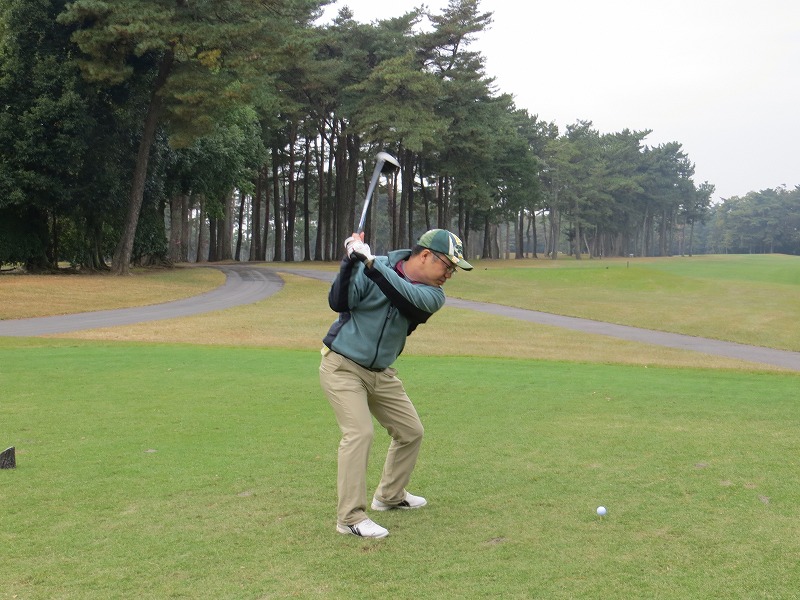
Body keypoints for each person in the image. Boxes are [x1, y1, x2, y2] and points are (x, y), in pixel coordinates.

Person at [319, 229, 473, 538]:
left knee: (411, 431)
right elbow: (339, 301)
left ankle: (389, 495)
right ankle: (350, 517)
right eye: (448, 266)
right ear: (425, 255)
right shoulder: (371, 264)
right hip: (343, 367)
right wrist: (350, 261)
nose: (449, 275)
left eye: (454, 270)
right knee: (359, 433)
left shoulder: (432, 296)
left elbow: (402, 295)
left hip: (382, 373)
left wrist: (370, 262)